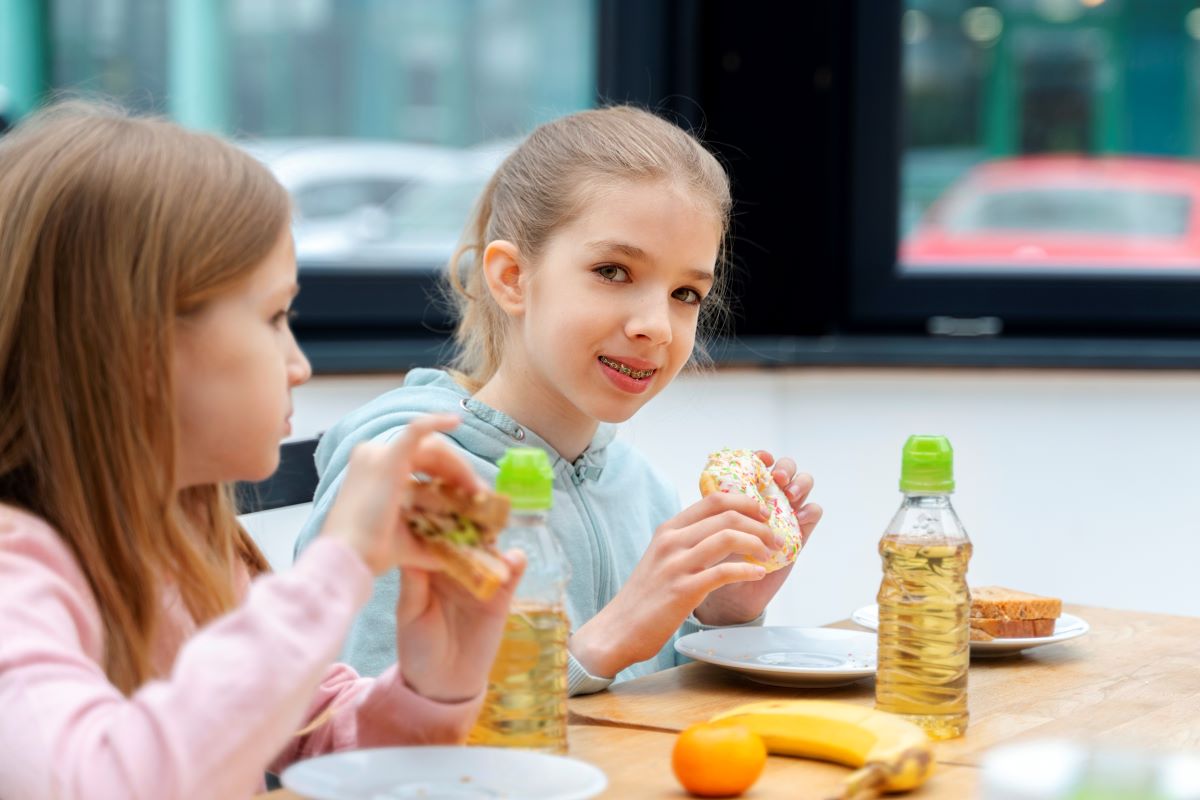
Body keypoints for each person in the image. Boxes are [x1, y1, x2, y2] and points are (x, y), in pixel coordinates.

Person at [0, 101, 524, 799]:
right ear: (136, 346)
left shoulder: (181, 543)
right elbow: (102, 780)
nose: (297, 363)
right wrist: (339, 565)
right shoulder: (14, 573)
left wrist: (436, 678)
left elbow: (325, 737)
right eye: (275, 316)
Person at [294, 105, 824, 695]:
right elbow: (355, 741)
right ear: (513, 278)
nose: (658, 326)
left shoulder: (640, 487)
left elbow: (646, 720)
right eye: (613, 271)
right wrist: (598, 646)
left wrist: (722, 616)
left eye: (685, 292)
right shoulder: (415, 485)